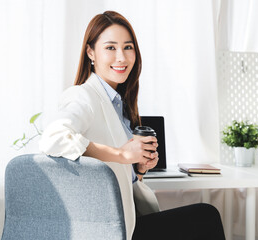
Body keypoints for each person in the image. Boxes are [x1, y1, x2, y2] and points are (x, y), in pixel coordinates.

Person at [39, 10, 225, 240]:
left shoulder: (120, 105)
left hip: (127, 218)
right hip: (105, 226)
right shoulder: (83, 96)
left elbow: (113, 168)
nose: (122, 57)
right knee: (205, 217)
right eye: (110, 48)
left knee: (203, 218)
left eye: (128, 47)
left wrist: (137, 169)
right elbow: (53, 138)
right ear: (90, 52)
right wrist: (121, 154)